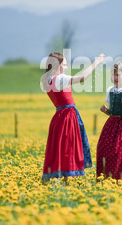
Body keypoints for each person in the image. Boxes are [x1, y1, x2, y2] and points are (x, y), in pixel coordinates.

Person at [41, 51, 105, 182]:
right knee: (69, 147)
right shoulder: (59, 79)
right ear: (57, 65)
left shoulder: (47, 80)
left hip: (59, 116)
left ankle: (62, 178)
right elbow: (82, 78)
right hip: (67, 117)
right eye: (64, 64)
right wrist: (96, 62)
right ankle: (69, 178)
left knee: (61, 147)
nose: (66, 67)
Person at [96, 61, 122, 182]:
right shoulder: (111, 90)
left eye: (117, 75)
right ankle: (105, 178)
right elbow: (113, 112)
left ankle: (121, 179)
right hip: (111, 125)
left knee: (119, 153)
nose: (114, 78)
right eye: (113, 75)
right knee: (103, 150)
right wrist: (106, 111)